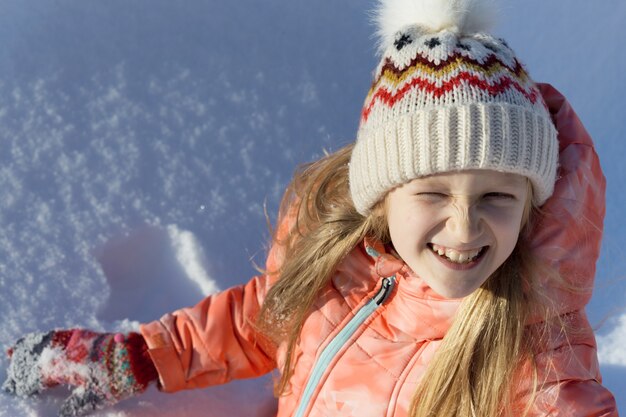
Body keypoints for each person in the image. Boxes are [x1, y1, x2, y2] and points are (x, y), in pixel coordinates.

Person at [3, 0, 619, 416]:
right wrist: (136, 358)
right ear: (383, 192)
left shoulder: (538, 355)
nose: (464, 225)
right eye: (432, 192)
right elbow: (262, 322)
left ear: (530, 204)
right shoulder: (342, 262)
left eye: (497, 197)